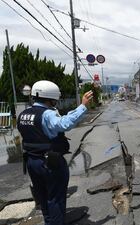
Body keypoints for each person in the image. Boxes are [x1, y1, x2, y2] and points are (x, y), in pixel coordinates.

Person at [17, 80, 93, 225]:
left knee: (43, 197)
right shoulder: (47, 114)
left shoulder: (24, 114)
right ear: (51, 98)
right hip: (50, 162)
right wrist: (82, 106)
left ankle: (49, 222)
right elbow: (64, 123)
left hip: (32, 161)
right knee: (55, 199)